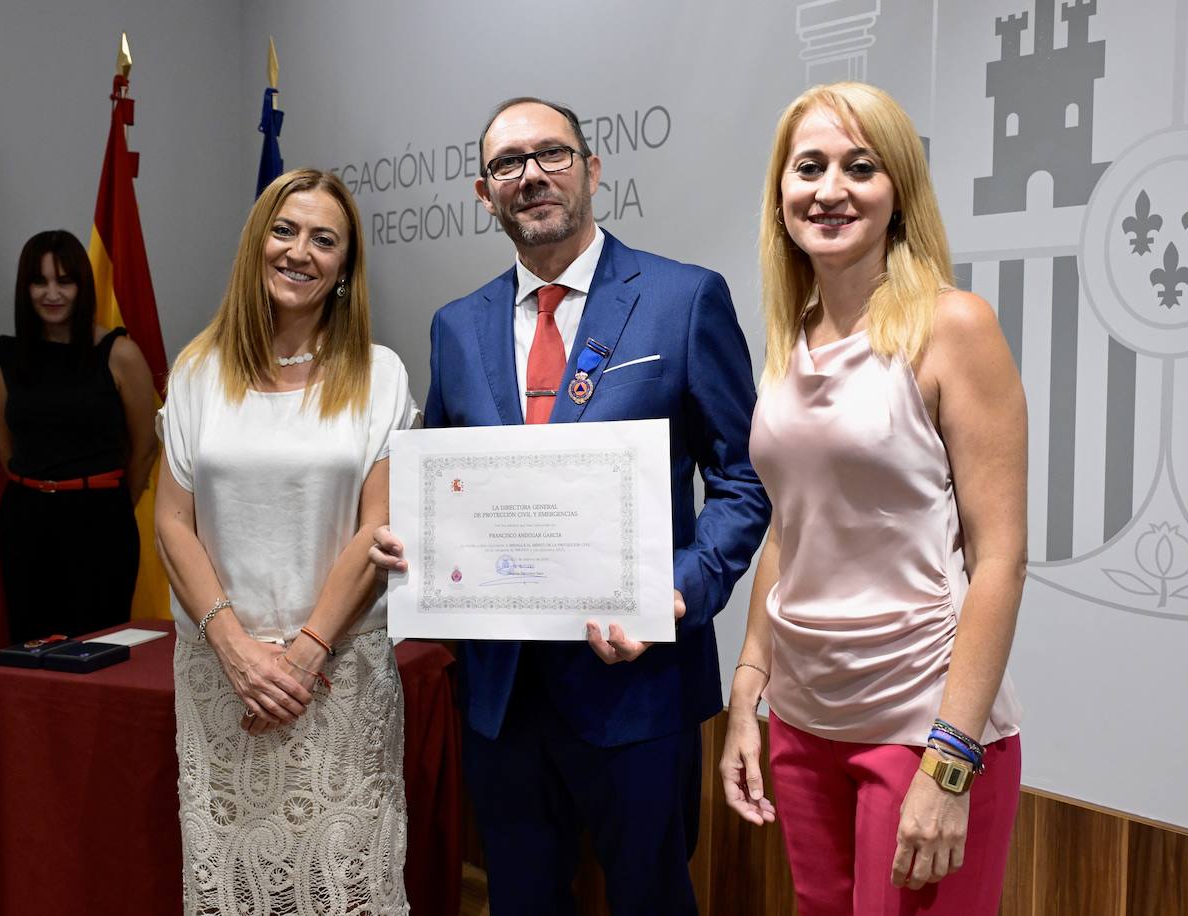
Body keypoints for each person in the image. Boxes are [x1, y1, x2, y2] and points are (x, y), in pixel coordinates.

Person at [370, 97, 770, 915]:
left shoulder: (683, 299)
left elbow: (744, 479)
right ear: (486, 196)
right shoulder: (455, 327)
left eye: (551, 154)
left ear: (592, 169)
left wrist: (680, 588)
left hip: (640, 687)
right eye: (508, 164)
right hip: (502, 696)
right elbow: (449, 483)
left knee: (651, 900)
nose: (531, 176)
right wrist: (410, 544)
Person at [719, 81, 1026, 915]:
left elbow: (1000, 558)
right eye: (808, 167)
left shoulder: (954, 327)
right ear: (780, 194)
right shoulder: (791, 341)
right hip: (804, 717)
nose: (830, 190)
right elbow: (788, 530)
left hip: (922, 722)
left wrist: (952, 759)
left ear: (899, 194)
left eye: (861, 167)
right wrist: (750, 683)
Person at [154, 169, 417, 915]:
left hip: (338, 679)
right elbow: (172, 521)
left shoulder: (378, 374)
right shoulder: (199, 371)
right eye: (285, 230)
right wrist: (237, 649)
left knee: (346, 889)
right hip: (221, 681)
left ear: (344, 267)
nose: (300, 251)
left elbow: (379, 527)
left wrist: (304, 654)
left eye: (324, 239)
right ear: (257, 243)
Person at [0, 229, 157, 642]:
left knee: (98, 651)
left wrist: (110, 500)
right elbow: (4, 444)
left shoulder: (120, 353)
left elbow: (145, 447)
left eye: (64, 281)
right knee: (31, 653)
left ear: (82, 286)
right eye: (40, 281)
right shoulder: (3, 356)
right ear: (24, 288)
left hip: (100, 521)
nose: (52, 293)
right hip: (25, 520)